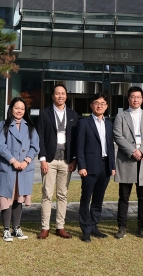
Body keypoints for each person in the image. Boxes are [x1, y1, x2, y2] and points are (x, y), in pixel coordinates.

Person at [113, 85, 143, 239]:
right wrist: (133, 151)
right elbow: (118, 136)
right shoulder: (121, 116)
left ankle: (142, 227)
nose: (135, 99)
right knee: (124, 197)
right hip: (127, 160)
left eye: (138, 97)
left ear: (142, 99)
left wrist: (142, 151)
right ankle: (122, 226)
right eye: (133, 97)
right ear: (128, 99)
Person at [36, 84, 79, 239]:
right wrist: (42, 159)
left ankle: (60, 226)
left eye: (63, 93)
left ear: (66, 96)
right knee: (47, 194)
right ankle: (45, 227)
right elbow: (40, 137)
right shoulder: (44, 114)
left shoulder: (73, 114)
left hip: (66, 161)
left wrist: (74, 159)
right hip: (49, 160)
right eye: (57, 93)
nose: (60, 96)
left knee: (62, 195)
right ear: (53, 96)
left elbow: (75, 139)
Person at [0, 97, 39, 242]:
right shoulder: (3, 125)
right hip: (8, 167)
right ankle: (6, 229)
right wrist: (13, 161)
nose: (19, 111)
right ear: (11, 109)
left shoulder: (30, 126)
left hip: (24, 168)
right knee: (6, 198)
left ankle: (17, 228)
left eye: (22, 108)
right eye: (16, 108)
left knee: (18, 198)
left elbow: (35, 146)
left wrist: (26, 161)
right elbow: (0, 145)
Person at [76, 92, 116, 242]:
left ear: (106, 106)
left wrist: (112, 166)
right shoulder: (84, 123)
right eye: (97, 103)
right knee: (86, 198)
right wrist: (82, 166)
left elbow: (110, 147)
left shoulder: (109, 124)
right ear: (91, 105)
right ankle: (85, 229)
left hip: (105, 166)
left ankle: (93, 226)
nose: (100, 106)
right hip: (89, 166)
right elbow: (79, 146)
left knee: (98, 198)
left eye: (102, 103)